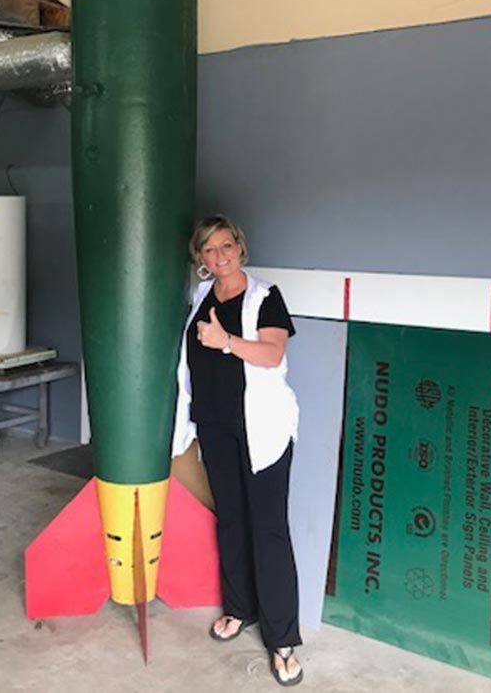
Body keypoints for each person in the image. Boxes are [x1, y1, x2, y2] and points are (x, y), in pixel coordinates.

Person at [171, 214, 303, 687]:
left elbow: (273, 354)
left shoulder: (265, 296)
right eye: (209, 250)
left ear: (239, 249)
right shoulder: (200, 298)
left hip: (262, 429)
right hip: (216, 427)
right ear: (200, 258)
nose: (220, 256)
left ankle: (283, 637)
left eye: (226, 246)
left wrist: (225, 341)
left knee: (269, 530)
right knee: (230, 519)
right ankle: (239, 608)